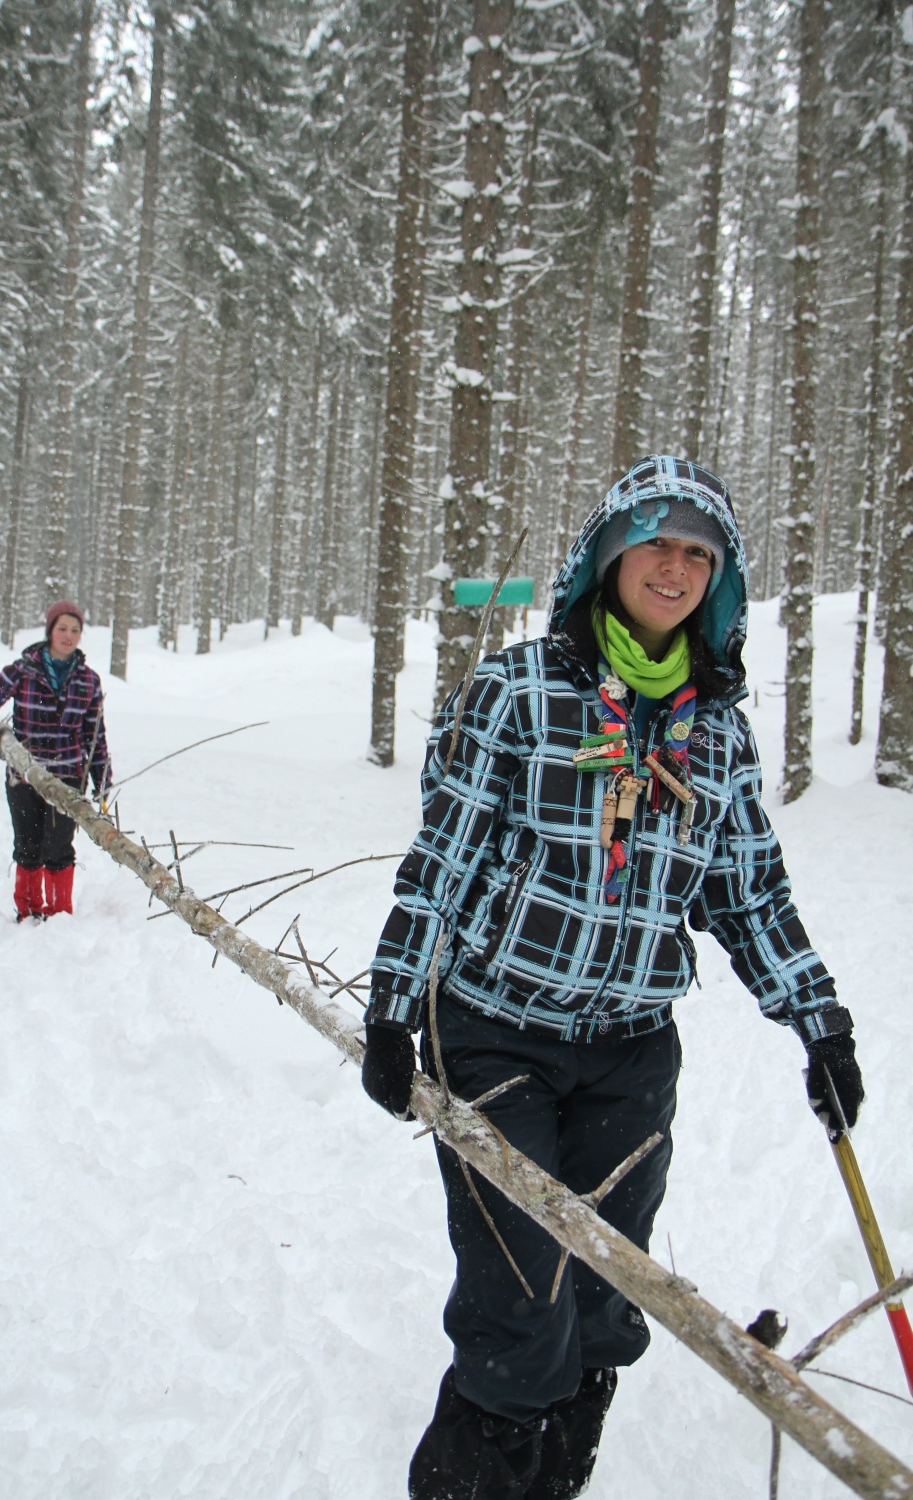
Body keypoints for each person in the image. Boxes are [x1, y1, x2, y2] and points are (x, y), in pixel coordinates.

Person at [361, 455, 864, 1500]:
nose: (674, 567)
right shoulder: (515, 691)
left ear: (717, 580)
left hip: (633, 1056)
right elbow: (441, 862)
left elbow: (749, 894)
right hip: (496, 1034)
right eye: (656, 543)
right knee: (518, 1313)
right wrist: (394, 1003)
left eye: (699, 552)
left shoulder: (716, 736)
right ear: (608, 555)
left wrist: (822, 1025)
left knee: (599, 1305)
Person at [0, 600, 112, 922]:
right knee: (28, 845)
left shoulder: (88, 681)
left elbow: (95, 736)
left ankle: (59, 914)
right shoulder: (23, 670)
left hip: (68, 776)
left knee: (59, 848)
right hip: (24, 774)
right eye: (62, 628)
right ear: (50, 630)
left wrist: (102, 782)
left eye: (75, 630)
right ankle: (28, 910)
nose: (68, 635)